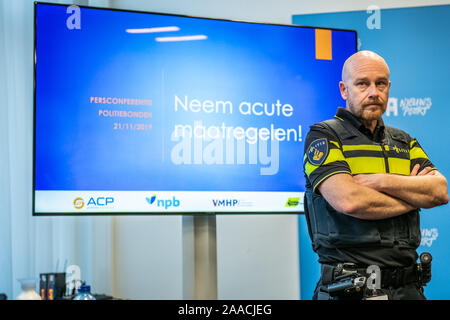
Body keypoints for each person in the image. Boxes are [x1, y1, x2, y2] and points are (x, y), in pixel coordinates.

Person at [303, 50, 448, 300]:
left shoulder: (404, 141)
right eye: (362, 83)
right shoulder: (324, 136)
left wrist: (380, 180)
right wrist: (413, 194)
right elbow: (350, 200)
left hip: (408, 289)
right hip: (349, 289)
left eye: (380, 83)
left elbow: (440, 191)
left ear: (388, 87)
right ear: (344, 90)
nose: (373, 92)